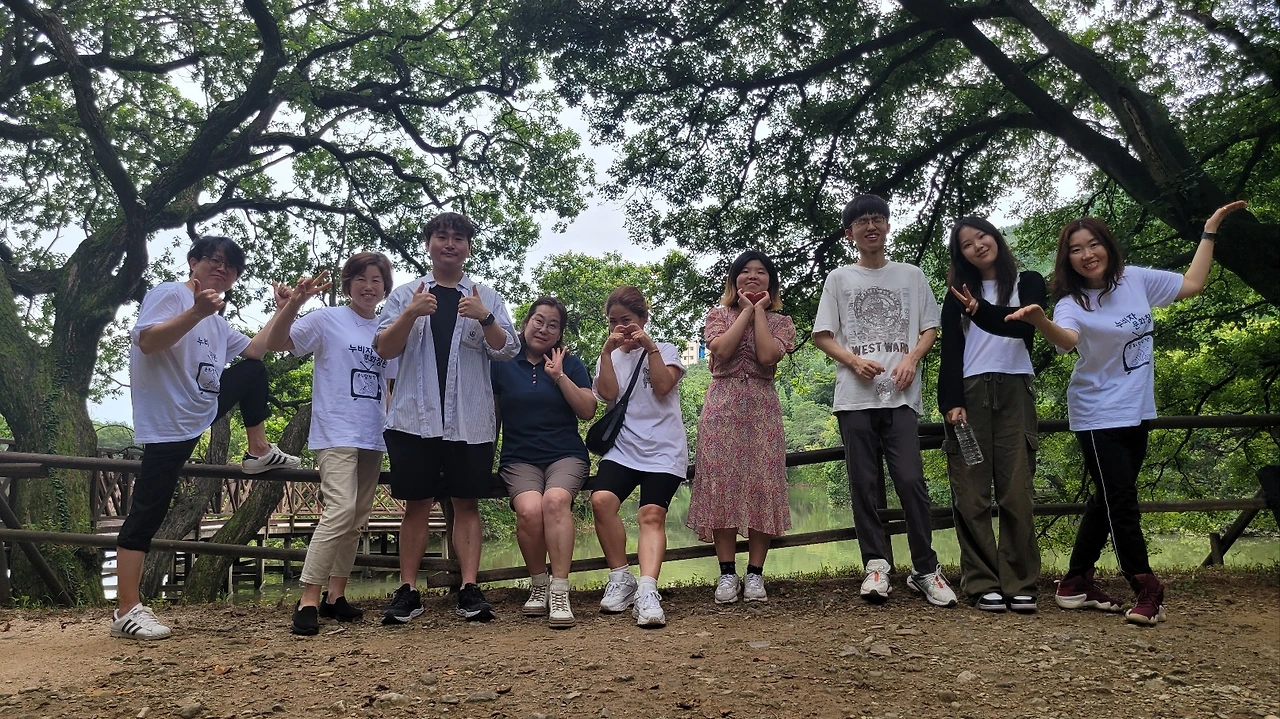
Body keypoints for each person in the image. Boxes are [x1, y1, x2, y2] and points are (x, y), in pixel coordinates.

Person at [1008, 201, 1248, 626]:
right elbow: (1066, 340)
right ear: (1067, 259)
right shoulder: (1071, 302)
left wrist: (1209, 230)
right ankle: (1146, 588)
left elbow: (1192, 283)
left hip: (1136, 409)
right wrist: (1040, 320)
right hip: (1097, 413)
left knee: (1108, 497)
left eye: (1093, 244)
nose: (1087, 254)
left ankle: (1075, 581)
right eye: (1076, 249)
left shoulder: (1134, 279)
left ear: (1107, 246)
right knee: (1121, 502)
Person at [111, 236, 304, 640]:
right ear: (192, 262)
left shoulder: (216, 322)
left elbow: (255, 350)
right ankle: (126, 610)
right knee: (149, 509)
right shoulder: (171, 294)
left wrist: (285, 308)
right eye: (215, 261)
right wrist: (196, 312)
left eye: (230, 267)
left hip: (200, 409)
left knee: (252, 371)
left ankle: (258, 450)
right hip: (169, 421)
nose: (222, 269)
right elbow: (147, 341)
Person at [373, 212, 520, 624]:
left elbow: (507, 349)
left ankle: (469, 588)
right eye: (441, 236)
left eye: (458, 238)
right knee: (416, 504)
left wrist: (485, 317)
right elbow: (384, 348)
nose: (450, 244)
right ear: (429, 244)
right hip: (412, 419)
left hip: (469, 420)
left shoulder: (484, 295)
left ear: (468, 247)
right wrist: (411, 313)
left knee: (466, 502)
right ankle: (408, 590)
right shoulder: (407, 294)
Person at [813, 193, 957, 608]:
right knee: (863, 484)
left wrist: (911, 359)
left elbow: (930, 327)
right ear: (850, 233)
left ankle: (925, 569)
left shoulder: (911, 275)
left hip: (901, 397)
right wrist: (853, 361)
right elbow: (822, 335)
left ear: (888, 226)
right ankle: (876, 565)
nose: (871, 226)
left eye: (878, 219)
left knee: (911, 481)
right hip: (855, 399)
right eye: (862, 222)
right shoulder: (839, 279)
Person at [263, 252, 397, 635]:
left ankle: (335, 596)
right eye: (361, 279)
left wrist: (390, 429)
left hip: (372, 433)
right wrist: (291, 305)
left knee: (357, 518)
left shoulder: (387, 328)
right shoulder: (327, 319)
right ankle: (308, 598)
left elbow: (387, 386)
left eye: (376, 280)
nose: (369, 286)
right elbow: (277, 342)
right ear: (348, 283)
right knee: (339, 510)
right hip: (336, 430)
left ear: (385, 287)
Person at [938, 217, 1044, 613]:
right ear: (961, 255)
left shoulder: (1028, 282)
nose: (977, 246)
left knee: (1017, 491)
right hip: (971, 392)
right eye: (967, 244)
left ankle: (1021, 582)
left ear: (995, 237)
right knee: (971, 493)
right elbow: (950, 351)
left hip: (1016, 390)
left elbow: (1021, 329)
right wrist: (950, 401)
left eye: (982, 236)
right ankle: (983, 582)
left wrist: (979, 310)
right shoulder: (956, 294)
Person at [686, 251, 795, 604]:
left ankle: (756, 574)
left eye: (760, 272)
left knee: (763, 484)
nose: (752, 276)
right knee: (722, 485)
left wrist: (760, 311)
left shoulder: (782, 322)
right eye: (745, 271)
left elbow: (767, 356)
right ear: (734, 280)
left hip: (763, 409)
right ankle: (727, 574)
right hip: (722, 408)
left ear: (770, 281)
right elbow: (721, 349)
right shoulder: (718, 315)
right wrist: (746, 310)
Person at [491, 297, 597, 628]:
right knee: (528, 510)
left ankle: (560, 591)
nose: (544, 329)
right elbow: (493, 416)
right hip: (519, 457)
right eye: (538, 321)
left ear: (560, 332)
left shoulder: (571, 363)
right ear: (525, 323)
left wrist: (560, 376)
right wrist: (484, 458)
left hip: (565, 455)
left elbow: (587, 410)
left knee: (554, 501)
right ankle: (539, 585)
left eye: (553, 325)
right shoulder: (503, 363)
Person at [592, 286, 687, 628]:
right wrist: (606, 352)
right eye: (613, 321)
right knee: (601, 501)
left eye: (627, 320)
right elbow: (607, 395)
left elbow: (662, 386)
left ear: (644, 319)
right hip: (623, 447)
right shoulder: (610, 356)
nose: (620, 327)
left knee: (651, 514)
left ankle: (647, 591)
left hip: (663, 448)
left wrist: (649, 348)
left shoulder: (667, 350)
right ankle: (621, 578)